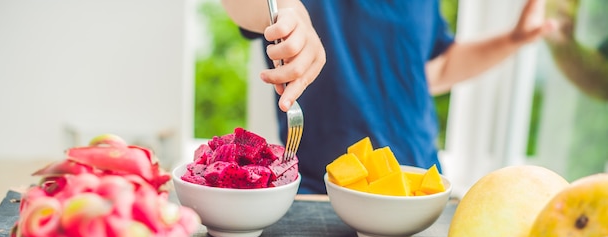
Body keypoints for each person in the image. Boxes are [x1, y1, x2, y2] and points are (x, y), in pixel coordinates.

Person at [221, 0, 556, 194]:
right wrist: (287, 11)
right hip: (319, 196)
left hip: (418, 187)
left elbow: (434, 71)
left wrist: (514, 39)